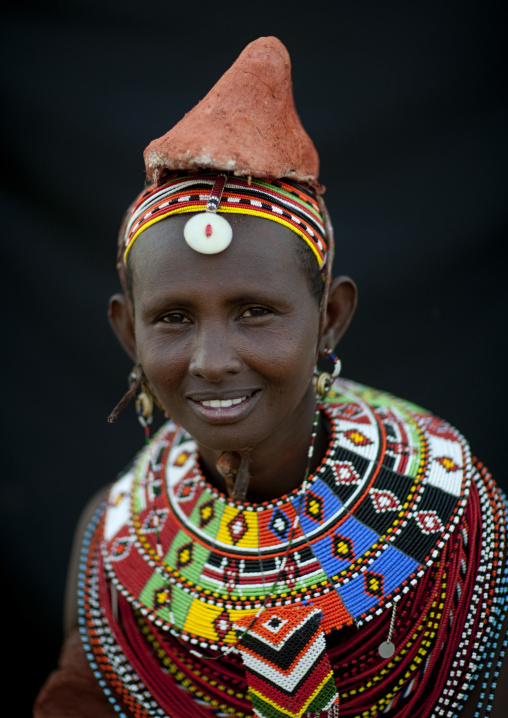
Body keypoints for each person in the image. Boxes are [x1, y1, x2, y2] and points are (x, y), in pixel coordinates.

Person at [34, 37, 508, 718]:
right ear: (127, 333)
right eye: (171, 317)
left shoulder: (460, 516)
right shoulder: (111, 542)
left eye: (256, 312)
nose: (213, 359)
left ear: (330, 318)